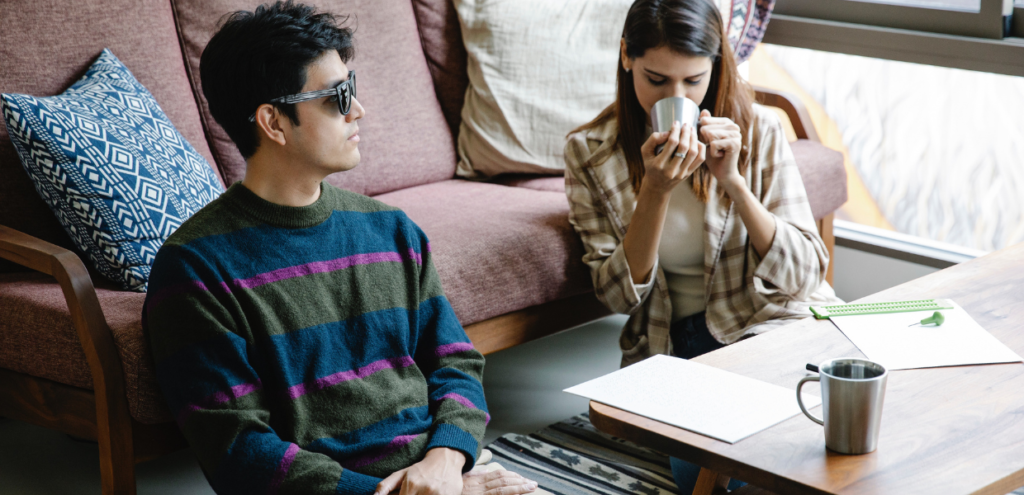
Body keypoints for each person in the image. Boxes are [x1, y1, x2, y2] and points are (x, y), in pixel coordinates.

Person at [142, 3, 538, 495]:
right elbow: (239, 451)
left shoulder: (392, 230)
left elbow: (455, 362)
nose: (358, 109)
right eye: (337, 96)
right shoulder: (195, 270)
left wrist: (445, 461)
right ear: (273, 122)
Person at [563, 0, 843, 491]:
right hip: (672, 348)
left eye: (693, 81)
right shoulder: (590, 153)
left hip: (767, 322)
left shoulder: (760, 128)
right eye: (656, 79)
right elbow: (616, 297)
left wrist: (733, 181)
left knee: (817, 441)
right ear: (626, 56)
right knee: (717, 477)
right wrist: (653, 192)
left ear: (715, 67)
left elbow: (804, 276)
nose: (675, 96)